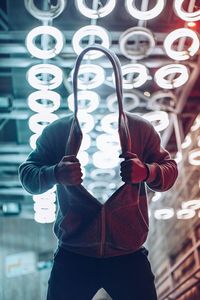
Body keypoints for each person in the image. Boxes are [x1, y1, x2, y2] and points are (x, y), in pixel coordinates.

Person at [19, 109, 178, 300]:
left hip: (128, 254)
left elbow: (170, 171)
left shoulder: (140, 128)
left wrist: (146, 172)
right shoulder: (58, 131)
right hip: (74, 255)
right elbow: (27, 174)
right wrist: (55, 173)